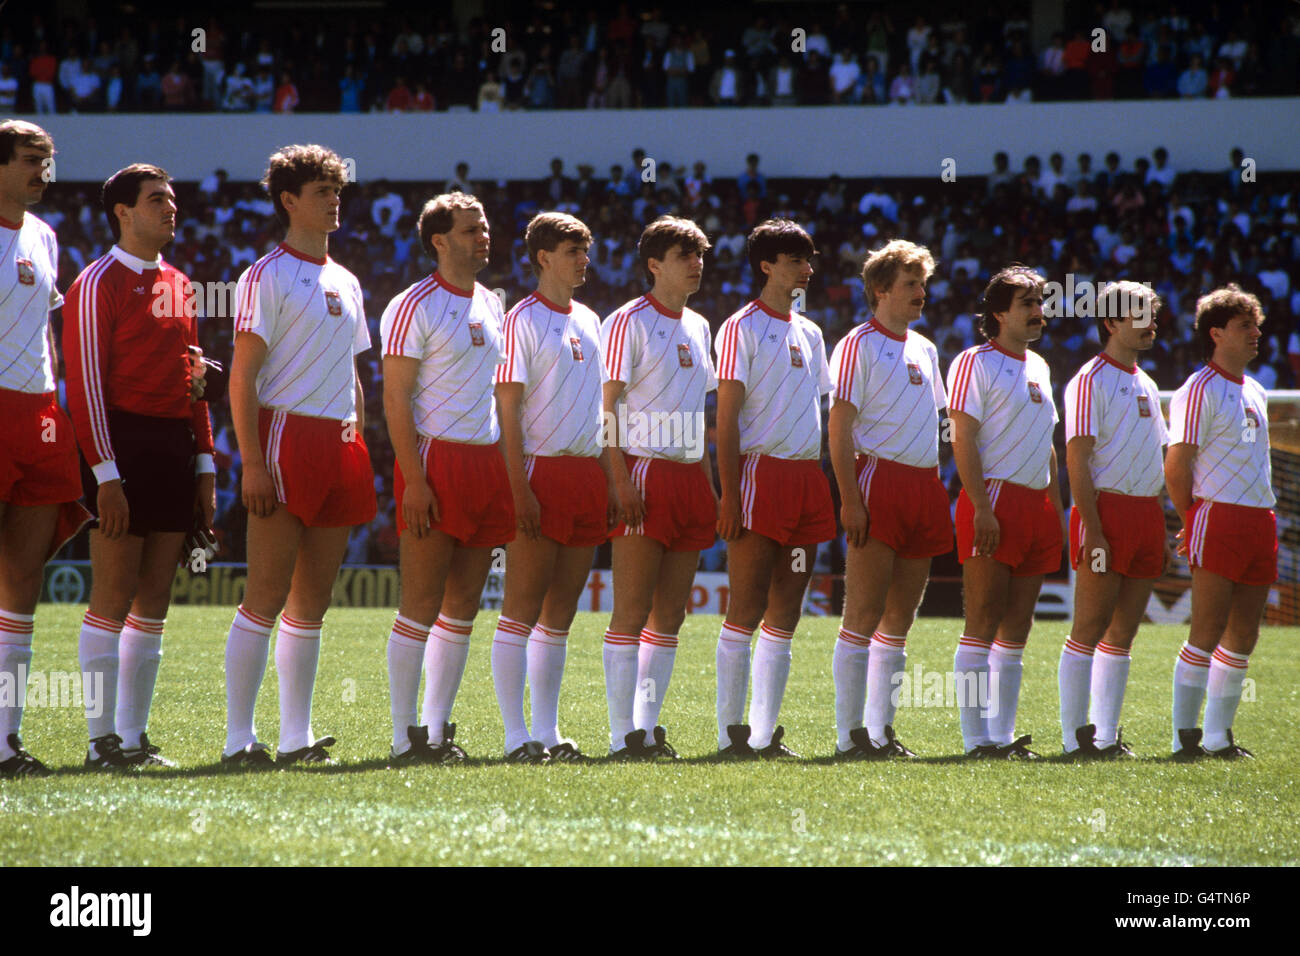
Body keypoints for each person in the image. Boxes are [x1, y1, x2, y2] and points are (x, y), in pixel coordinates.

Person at [223, 145, 375, 767]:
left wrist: (358, 440)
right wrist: (252, 462)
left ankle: (296, 738)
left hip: (339, 443)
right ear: (289, 200)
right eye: (321, 191)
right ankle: (238, 739)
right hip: (283, 439)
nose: (334, 200)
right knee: (264, 595)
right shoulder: (266, 274)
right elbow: (242, 376)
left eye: (337, 189)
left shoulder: (348, 279)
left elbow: (354, 373)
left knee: (312, 602)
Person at [64, 163, 215, 770]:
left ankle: (133, 738)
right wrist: (105, 475)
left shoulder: (182, 284)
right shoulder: (95, 283)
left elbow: (196, 384)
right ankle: (101, 741)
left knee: (155, 598)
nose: (170, 207)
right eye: (157, 199)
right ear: (123, 212)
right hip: (120, 445)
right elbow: (87, 388)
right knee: (112, 594)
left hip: (174, 446)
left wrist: (204, 463)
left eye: (173, 198)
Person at [381, 192, 513, 764]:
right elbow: (394, 398)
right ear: (439, 240)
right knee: (421, 601)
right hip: (434, 462)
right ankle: (401, 734)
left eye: (484, 228)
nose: (482, 236)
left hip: (485, 462)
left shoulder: (491, 302)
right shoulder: (413, 304)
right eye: (469, 230)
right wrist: (414, 479)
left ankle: (436, 732)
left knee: (463, 604)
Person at [491, 212, 616, 763]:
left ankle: (547, 732)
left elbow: (604, 410)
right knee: (519, 609)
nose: (583, 259)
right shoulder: (520, 319)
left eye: (585, 249)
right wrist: (518, 489)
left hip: (586, 474)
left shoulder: (592, 319)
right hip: (537, 471)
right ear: (543, 257)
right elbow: (507, 411)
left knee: (560, 614)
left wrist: (611, 478)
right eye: (572, 250)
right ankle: (515, 736)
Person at [712, 220, 835, 759]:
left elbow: (822, 410)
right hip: (759, 475)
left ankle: (763, 734)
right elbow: (726, 421)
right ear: (766, 265)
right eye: (794, 259)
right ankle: (728, 733)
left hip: (806, 479)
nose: (806, 268)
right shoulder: (740, 327)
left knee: (786, 610)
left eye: (808, 259)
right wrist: (730, 492)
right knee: (746, 605)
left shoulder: (810, 332)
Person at [826, 239, 950, 759]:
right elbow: (839, 427)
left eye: (923, 283)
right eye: (910, 284)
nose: (921, 292)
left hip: (923, 485)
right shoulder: (857, 344)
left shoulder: (925, 348)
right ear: (881, 291)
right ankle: (848, 735)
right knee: (863, 611)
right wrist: (850, 499)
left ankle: (881, 731)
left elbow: (938, 424)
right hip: (877, 480)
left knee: (901, 615)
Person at [600, 216, 718, 758]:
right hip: (643, 468)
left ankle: (648, 729)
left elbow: (701, 416)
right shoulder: (628, 320)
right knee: (630, 611)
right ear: (654, 264)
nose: (696, 262)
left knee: (670, 614)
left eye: (699, 253)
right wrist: (619, 476)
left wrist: (713, 487)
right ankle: (620, 733)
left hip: (691, 477)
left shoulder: (700, 326)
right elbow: (606, 408)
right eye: (683, 254)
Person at [947, 265, 1064, 758]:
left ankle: (1003, 735)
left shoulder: (1039, 366)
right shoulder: (974, 362)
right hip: (992, 499)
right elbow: (963, 438)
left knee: (1017, 626)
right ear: (999, 313)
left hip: (1037, 503)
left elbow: (1049, 445)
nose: (1039, 312)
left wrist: (1055, 509)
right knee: (983, 619)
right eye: (1027, 304)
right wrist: (980, 507)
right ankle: (976, 739)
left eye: (1040, 303)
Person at [0, 121, 88, 777]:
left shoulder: (47, 236)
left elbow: (47, 332)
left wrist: (59, 406)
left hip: (41, 414)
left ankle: (6, 742)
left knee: (21, 582)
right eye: (32, 161)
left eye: (49, 162)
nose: (44, 172)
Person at [1166, 285, 1275, 759]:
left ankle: (1217, 737)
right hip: (1217, 514)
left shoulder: (1255, 390)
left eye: (1256, 324)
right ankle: (1183, 738)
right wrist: (1191, 517)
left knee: (1245, 633)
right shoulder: (1198, 388)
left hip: (1259, 520)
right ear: (1216, 333)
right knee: (1206, 629)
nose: (1255, 333)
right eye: (1244, 325)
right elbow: (1177, 464)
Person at [1059, 282, 1169, 757]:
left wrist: (1162, 520)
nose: (1150, 324)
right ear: (1111, 323)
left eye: (1152, 314)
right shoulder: (1089, 379)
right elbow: (1077, 460)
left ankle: (1106, 735)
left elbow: (1156, 457)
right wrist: (1094, 527)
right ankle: (1072, 737)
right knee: (1089, 626)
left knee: (1124, 631)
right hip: (1105, 510)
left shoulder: (1146, 382)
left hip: (1145, 514)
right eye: (1140, 314)